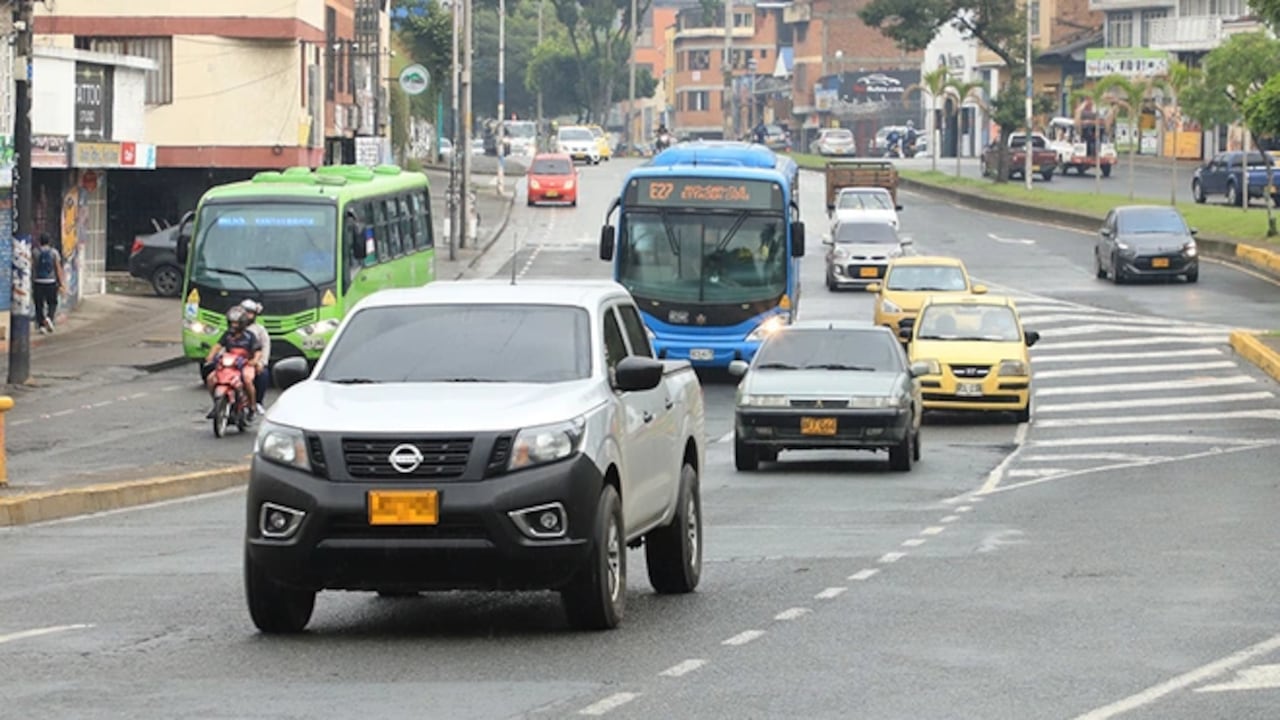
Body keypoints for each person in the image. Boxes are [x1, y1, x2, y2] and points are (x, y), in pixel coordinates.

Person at [204, 305, 261, 418]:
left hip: (245, 364)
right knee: (211, 379)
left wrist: (254, 361)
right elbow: (217, 346)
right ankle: (216, 405)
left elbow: (258, 351)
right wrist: (210, 356)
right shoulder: (227, 335)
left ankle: (252, 406)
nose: (234, 325)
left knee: (247, 379)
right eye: (232, 323)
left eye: (236, 323)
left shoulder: (250, 336)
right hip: (229, 364)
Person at [239, 299, 270, 415]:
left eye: (250, 313)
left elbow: (265, 347)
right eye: (244, 312)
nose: (247, 315)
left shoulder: (259, 330)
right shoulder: (234, 328)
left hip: (252, 362)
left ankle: (257, 402)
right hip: (236, 361)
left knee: (263, 374)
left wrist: (261, 362)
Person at [33, 234, 65, 334]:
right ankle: (49, 318)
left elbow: (31, 266)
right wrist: (61, 283)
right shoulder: (54, 252)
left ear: (40, 241)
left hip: (38, 281)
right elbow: (58, 268)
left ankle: (41, 325)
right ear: (49, 241)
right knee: (52, 302)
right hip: (51, 282)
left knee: (39, 304)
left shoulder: (35, 252)